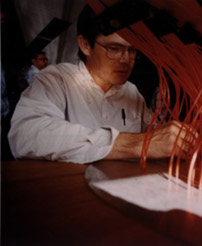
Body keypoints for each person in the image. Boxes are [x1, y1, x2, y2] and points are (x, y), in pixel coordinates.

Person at [8, 5, 191, 164]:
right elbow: (25, 136)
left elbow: (154, 133)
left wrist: (177, 139)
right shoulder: (57, 80)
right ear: (85, 45)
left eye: (132, 50)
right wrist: (137, 144)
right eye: (114, 49)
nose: (126, 60)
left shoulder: (131, 92)